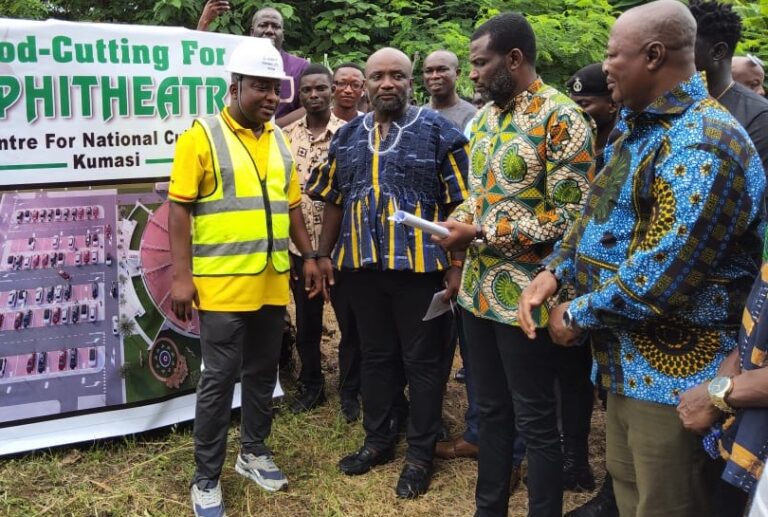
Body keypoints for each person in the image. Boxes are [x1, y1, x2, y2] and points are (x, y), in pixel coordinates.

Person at [518, 2, 766, 516]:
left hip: (681, 384)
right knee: (631, 497)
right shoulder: (637, 128)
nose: (603, 66)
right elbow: (595, 214)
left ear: (654, 55)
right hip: (625, 365)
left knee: (666, 504)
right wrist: (554, 271)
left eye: (613, 54)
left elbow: (663, 277)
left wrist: (576, 314)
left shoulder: (704, 143)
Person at [433, 12, 595, 517]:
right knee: (491, 411)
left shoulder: (561, 117)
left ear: (515, 59)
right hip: (479, 294)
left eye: (481, 64)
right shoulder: (482, 120)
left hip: (528, 297)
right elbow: (476, 198)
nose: (472, 74)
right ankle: (490, 509)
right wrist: (451, 229)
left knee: (536, 419)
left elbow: (571, 218)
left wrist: (480, 231)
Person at [168, 38, 322, 517]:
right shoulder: (202, 134)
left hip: (272, 282)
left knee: (262, 373)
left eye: (275, 89)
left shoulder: (278, 138)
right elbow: (178, 208)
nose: (271, 98)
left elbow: (291, 205)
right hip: (221, 287)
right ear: (233, 87)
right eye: (260, 88)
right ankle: (206, 478)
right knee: (218, 380)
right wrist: (181, 277)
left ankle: (253, 452)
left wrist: (310, 254)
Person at [306, 47, 469, 499]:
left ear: (410, 81)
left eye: (397, 75)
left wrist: (456, 267)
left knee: (423, 362)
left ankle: (420, 453)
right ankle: (378, 439)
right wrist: (322, 254)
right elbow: (334, 199)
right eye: (378, 76)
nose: (387, 84)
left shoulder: (439, 131)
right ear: (366, 83)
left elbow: (461, 205)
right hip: (360, 268)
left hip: (418, 269)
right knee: (375, 355)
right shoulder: (348, 135)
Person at [282, 64, 358, 417]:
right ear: (300, 94)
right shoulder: (286, 135)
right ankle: (311, 385)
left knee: (350, 322)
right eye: (307, 90)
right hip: (300, 250)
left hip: (342, 250)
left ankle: (351, 391)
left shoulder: (352, 132)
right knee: (307, 323)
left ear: (332, 91)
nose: (314, 95)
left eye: (320, 89)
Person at [562, 63, 620, 517]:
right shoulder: (574, 141)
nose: (582, 111)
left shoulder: (626, 144)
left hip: (614, 288)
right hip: (575, 274)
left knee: (611, 388)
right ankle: (576, 461)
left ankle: (614, 485)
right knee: (573, 375)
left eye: (588, 103)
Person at [197, 4, 309, 127]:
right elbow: (198, 61)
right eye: (263, 25)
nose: (269, 30)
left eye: (276, 27)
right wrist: (204, 22)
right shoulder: (238, 62)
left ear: (283, 34)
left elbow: (309, 107)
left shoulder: (300, 67)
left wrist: (272, 128)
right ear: (252, 32)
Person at [690, 1, 768, 176]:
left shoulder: (758, 117)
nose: (676, 54)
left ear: (718, 52)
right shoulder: (673, 102)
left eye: (687, 46)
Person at [422, 50, 477, 130]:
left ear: (457, 73)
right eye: (428, 71)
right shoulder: (418, 115)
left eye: (442, 70)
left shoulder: (472, 116)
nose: (434, 76)